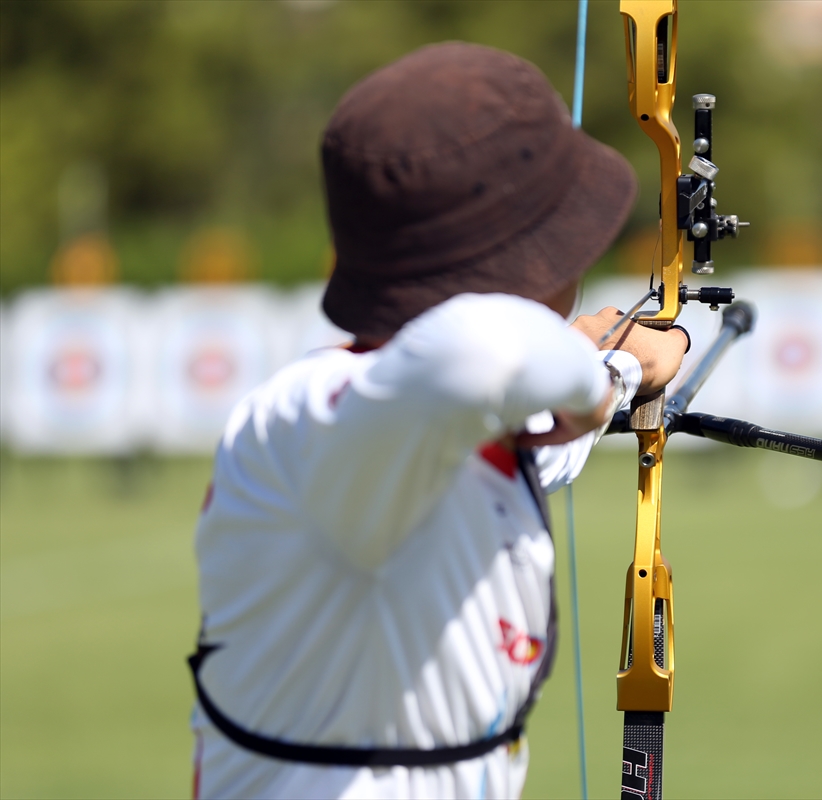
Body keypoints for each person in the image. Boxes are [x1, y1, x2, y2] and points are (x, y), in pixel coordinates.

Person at [188, 42, 689, 799]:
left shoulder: (434, 426)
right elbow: (485, 350)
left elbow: (529, 433)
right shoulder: (308, 423)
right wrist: (591, 374)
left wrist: (622, 367)